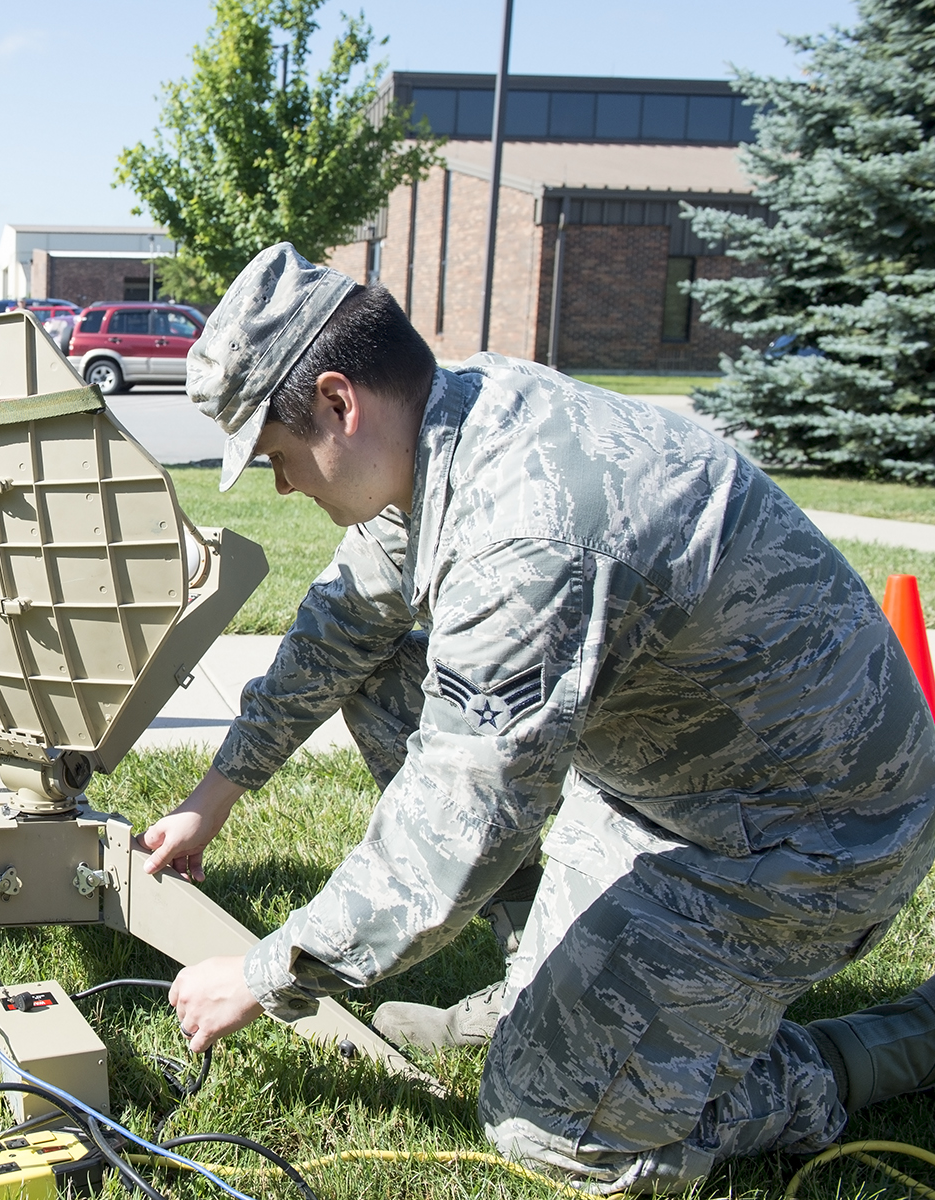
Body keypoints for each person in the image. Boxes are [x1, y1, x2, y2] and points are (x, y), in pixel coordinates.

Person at [139, 243, 935, 1192]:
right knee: (382, 645)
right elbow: (342, 621)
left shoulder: (525, 539)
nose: (282, 486)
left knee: (554, 1130)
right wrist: (216, 792)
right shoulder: (457, 416)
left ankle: (874, 1051)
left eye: (276, 455)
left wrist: (264, 977)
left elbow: (461, 822)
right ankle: (542, 990)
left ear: (340, 403)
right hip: (684, 785)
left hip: (802, 840)